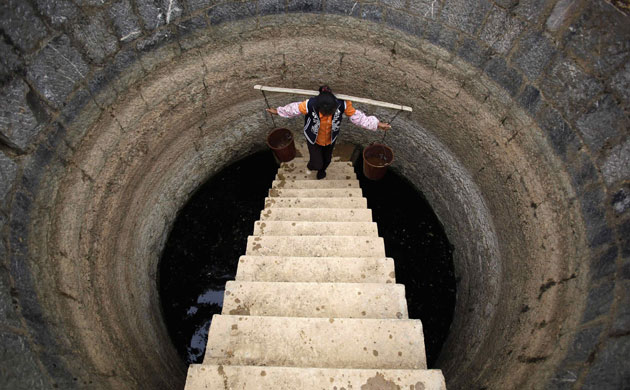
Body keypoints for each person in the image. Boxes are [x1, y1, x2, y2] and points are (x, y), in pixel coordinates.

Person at [266, 86, 391, 179]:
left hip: (330, 139)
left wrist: (378, 124)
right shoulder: (310, 104)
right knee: (317, 161)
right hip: (313, 138)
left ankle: (322, 170)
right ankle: (313, 165)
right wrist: (277, 111)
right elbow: (292, 109)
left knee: (327, 159)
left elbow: (359, 118)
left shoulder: (343, 104)